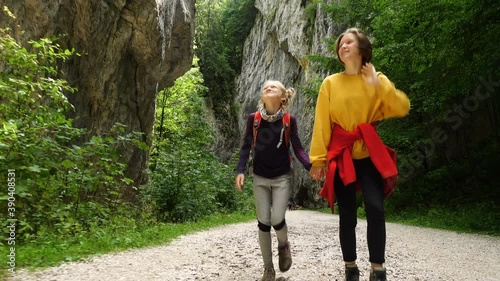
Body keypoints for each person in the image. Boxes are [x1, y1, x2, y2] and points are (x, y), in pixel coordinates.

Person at [308, 28, 411, 281]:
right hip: (342, 154)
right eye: (340, 43)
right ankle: (350, 266)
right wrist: (318, 160)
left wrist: (377, 82)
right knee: (348, 214)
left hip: (369, 155)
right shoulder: (330, 83)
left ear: (362, 48)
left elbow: (401, 107)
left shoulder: (377, 79)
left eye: (349, 42)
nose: (343, 46)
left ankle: (378, 269)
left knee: (376, 208)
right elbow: (322, 123)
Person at [235, 80, 311, 281]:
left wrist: (311, 166)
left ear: (283, 98)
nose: (268, 88)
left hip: (281, 177)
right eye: (265, 87)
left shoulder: (288, 120)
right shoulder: (255, 119)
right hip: (259, 177)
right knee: (263, 223)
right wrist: (240, 170)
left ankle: (283, 244)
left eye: (274, 87)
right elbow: (245, 147)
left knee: (277, 219)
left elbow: (298, 147)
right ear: (262, 97)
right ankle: (268, 269)